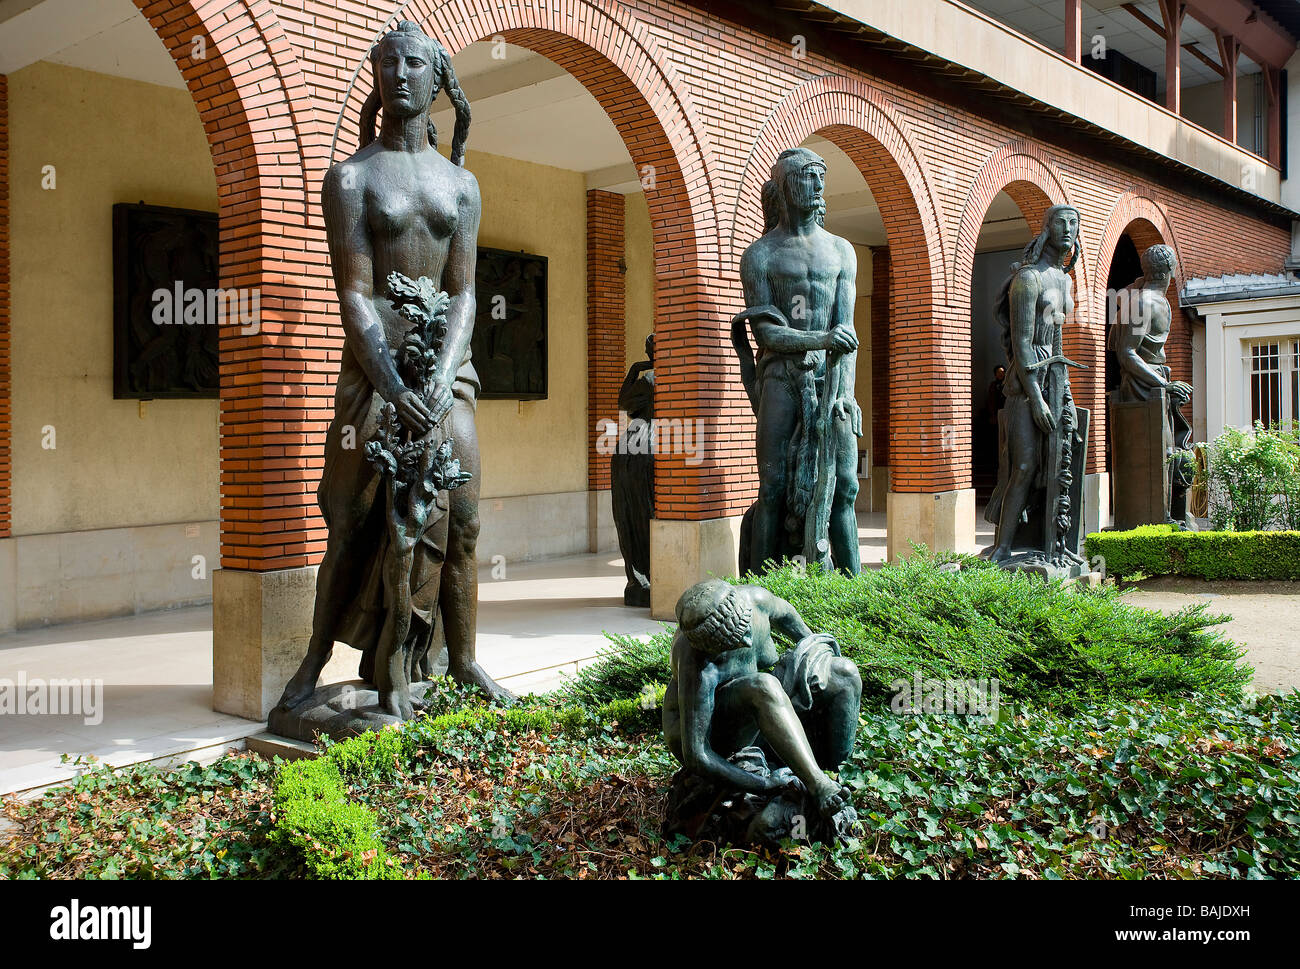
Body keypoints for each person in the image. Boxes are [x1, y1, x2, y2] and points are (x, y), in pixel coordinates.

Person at [276, 21, 511, 719]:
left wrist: (440, 374)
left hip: (447, 376)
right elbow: (354, 293)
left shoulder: (461, 186)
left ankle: (462, 661)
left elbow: (465, 290)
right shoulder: (350, 178)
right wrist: (393, 382)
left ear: (438, 78)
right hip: (374, 376)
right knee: (350, 521)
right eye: (387, 63)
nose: (399, 73)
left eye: (413, 63)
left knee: (462, 521)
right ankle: (310, 666)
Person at [733, 147, 862, 575]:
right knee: (772, 488)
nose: (819, 184)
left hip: (831, 382)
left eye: (821, 176)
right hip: (780, 379)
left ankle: (854, 586)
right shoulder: (760, 255)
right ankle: (759, 590)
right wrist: (820, 337)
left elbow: (849, 335)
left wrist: (846, 395)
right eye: (808, 176)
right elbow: (766, 333)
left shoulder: (842, 251)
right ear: (787, 185)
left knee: (844, 485)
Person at [662, 578, 862, 819]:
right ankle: (818, 784)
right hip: (717, 732)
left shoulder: (758, 601)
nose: (746, 642)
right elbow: (697, 755)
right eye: (731, 643)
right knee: (763, 685)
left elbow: (805, 637)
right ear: (709, 649)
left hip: (759, 704)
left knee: (845, 674)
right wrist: (764, 783)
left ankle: (837, 776)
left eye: (745, 629)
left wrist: (814, 660)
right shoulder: (696, 664)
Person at [985, 204, 1087, 567]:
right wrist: (1037, 399)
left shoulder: (1065, 280)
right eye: (1061, 222)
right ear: (1046, 229)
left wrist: (1064, 396)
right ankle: (1001, 548)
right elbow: (1024, 343)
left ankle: (1055, 545)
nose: (1068, 229)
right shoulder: (1029, 279)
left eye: (1074, 223)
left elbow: (1057, 341)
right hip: (1025, 383)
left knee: (1061, 461)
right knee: (1024, 465)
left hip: (1056, 379)